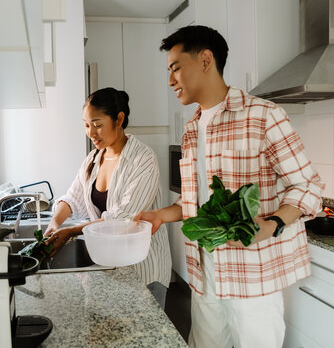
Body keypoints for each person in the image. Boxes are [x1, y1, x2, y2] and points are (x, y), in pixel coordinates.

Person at [134, 25, 324, 348]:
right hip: (204, 277)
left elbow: (308, 187)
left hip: (253, 281)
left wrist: (273, 223)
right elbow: (196, 203)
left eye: (175, 68)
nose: (170, 81)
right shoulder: (192, 129)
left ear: (206, 60)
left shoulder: (264, 116)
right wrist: (159, 216)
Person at [44, 87, 172, 307]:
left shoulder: (143, 159)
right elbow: (72, 197)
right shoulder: (93, 159)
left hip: (143, 272)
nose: (91, 133)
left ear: (119, 119)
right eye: (86, 125)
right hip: (108, 269)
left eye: (98, 125)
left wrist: (71, 232)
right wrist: (56, 222)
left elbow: (122, 219)